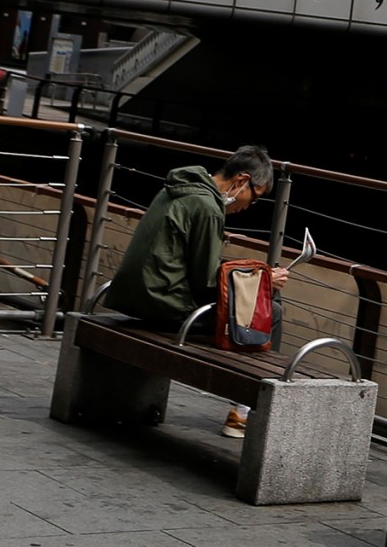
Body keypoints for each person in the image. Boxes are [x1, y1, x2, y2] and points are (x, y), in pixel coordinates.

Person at [104, 145, 289, 437]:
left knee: (261, 296)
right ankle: (243, 415)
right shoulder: (207, 207)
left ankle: (244, 409)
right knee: (271, 311)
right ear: (242, 181)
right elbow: (206, 283)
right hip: (163, 306)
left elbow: (192, 263)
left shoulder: (178, 189)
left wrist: (256, 276)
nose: (248, 205)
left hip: (132, 295)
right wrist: (262, 281)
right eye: (255, 197)